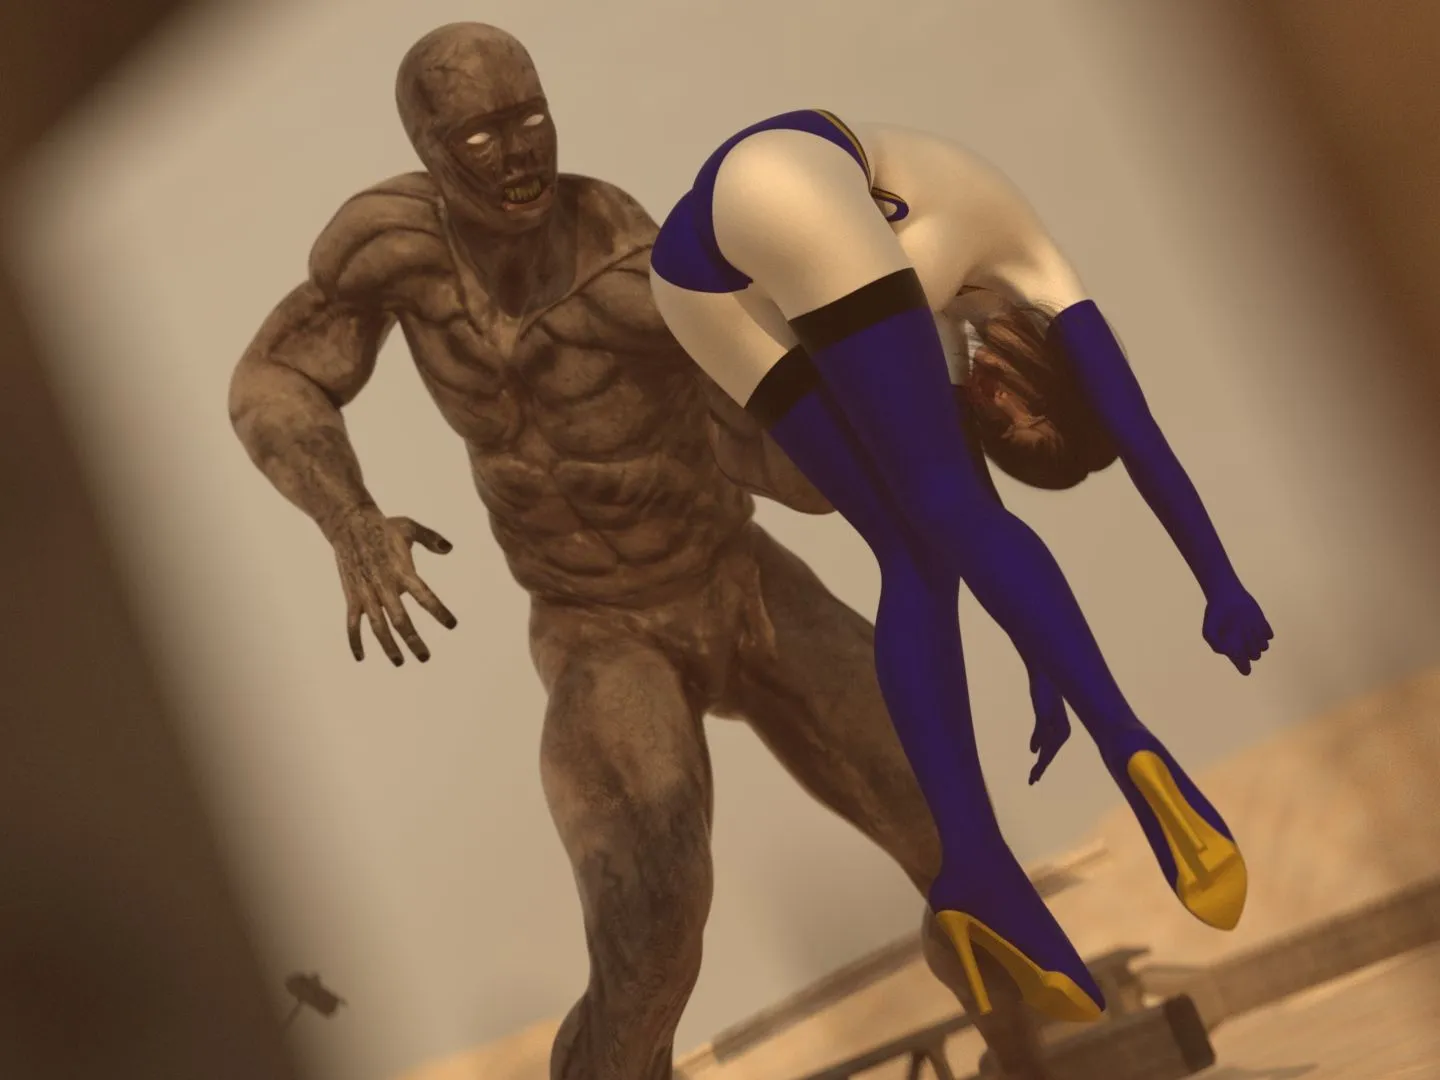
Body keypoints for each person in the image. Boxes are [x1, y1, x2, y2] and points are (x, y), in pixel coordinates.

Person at [228, 29, 1079, 1080]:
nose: (517, 150)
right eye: (481, 133)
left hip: (738, 579)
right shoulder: (391, 249)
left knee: (955, 831)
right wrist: (350, 519)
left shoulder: (639, 274)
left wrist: (937, 401)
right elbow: (273, 380)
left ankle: (1036, 1065)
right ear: (427, 146)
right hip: (598, 625)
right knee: (652, 929)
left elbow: (796, 466)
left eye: (531, 116)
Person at [650, 109, 1274, 1023]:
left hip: (690, 282)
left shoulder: (936, 323)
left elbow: (962, 519)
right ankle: (1132, 744)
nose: (991, 406)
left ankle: (974, 870)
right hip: (785, 174)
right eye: (1022, 417)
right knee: (949, 512)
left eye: (1001, 426)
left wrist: (1039, 656)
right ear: (1059, 386)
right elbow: (1136, 433)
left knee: (913, 553)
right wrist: (1218, 583)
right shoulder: (1036, 268)